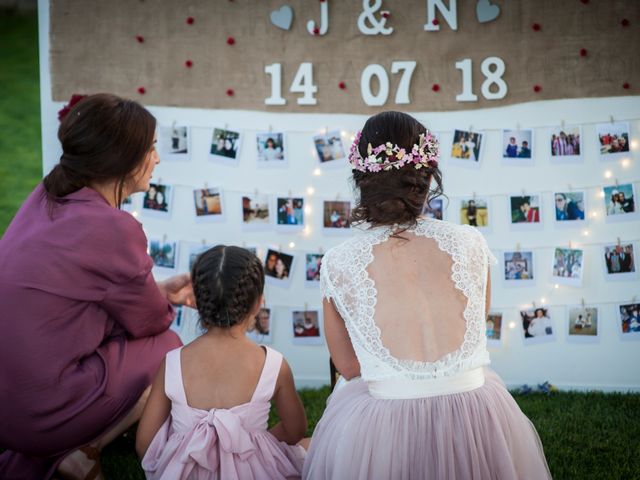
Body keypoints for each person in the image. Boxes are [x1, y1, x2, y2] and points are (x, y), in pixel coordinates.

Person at [303, 111, 550, 479]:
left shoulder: (339, 262)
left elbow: (349, 367)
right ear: (427, 177)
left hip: (385, 422)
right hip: (475, 412)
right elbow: (473, 328)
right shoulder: (470, 242)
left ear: (362, 180)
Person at [0, 94, 192, 479]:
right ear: (122, 159)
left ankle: (61, 452)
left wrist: (156, 287)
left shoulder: (46, 195)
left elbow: (81, 291)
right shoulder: (113, 228)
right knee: (170, 349)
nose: (156, 159)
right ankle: (84, 449)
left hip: (8, 401)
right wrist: (163, 298)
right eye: (151, 149)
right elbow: (151, 322)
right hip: (37, 411)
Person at [137, 245, 308, 478]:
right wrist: (252, 443)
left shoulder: (173, 363)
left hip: (185, 472)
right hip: (254, 472)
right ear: (258, 303)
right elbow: (296, 429)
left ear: (197, 301)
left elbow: (145, 443)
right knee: (309, 445)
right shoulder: (274, 365)